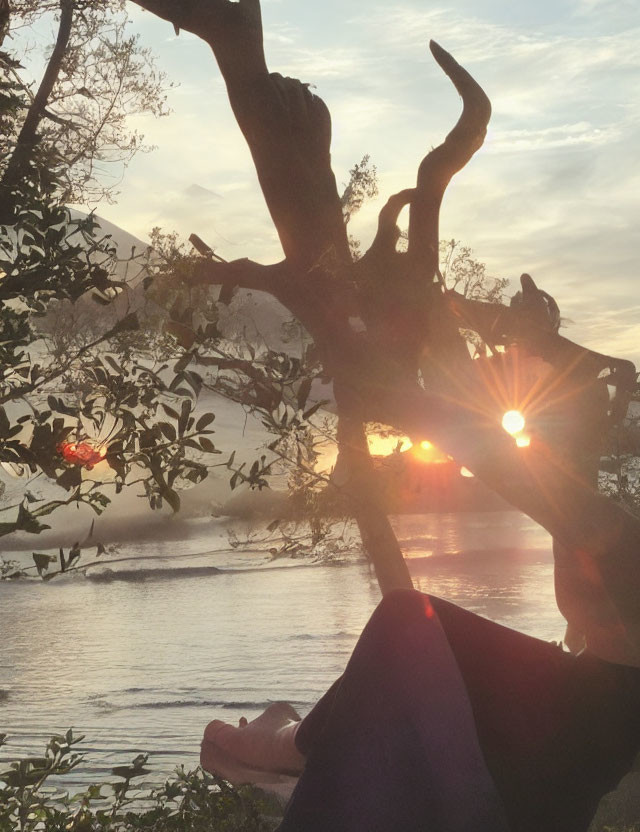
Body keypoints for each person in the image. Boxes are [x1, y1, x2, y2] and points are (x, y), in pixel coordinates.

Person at [200, 371, 640, 831]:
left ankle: (284, 747)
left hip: (520, 799)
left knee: (407, 619)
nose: (569, 555)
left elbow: (519, 474)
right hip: (548, 763)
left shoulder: (624, 560)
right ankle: (287, 743)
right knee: (417, 633)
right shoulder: (590, 686)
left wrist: (399, 393)